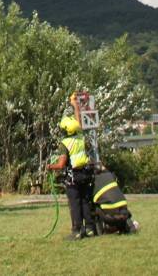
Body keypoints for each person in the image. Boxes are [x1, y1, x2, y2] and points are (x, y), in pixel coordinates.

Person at [47, 93, 95, 240]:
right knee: (86, 201)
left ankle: (77, 231)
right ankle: (90, 229)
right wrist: (75, 105)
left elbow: (61, 164)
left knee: (75, 203)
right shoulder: (80, 136)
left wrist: (50, 166)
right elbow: (79, 121)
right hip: (86, 174)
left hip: (73, 177)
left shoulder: (65, 143)